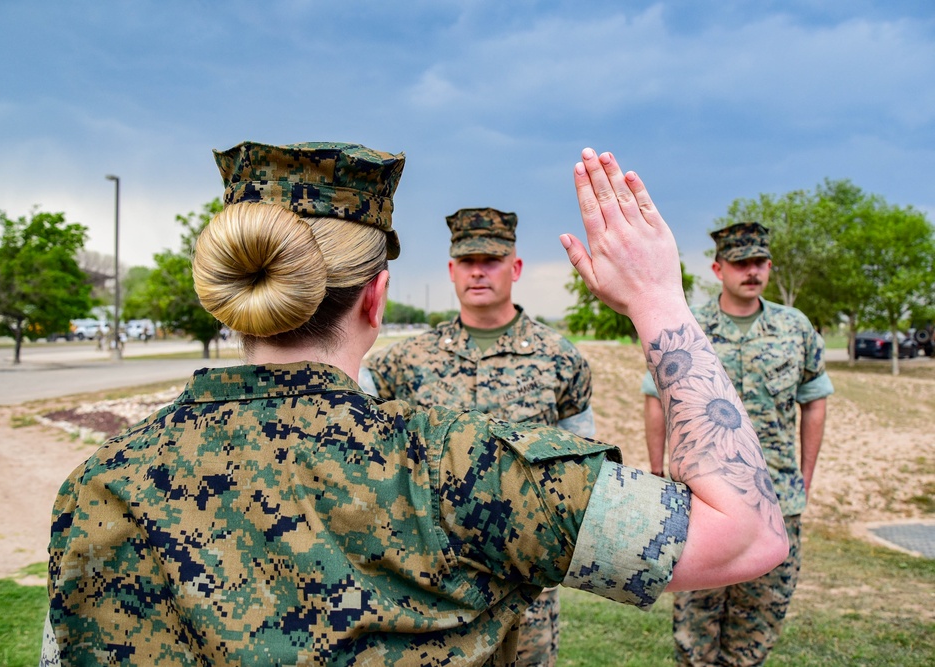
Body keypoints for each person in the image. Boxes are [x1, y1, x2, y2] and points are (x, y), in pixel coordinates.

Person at [42, 142, 789, 666]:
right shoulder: (467, 468)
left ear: (236, 300)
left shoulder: (99, 486)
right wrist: (661, 301)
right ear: (377, 295)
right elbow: (747, 537)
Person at [361, 207, 595, 666]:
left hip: (527, 591)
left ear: (516, 267)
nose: (479, 271)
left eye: (491, 260)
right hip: (430, 594)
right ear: (451, 270)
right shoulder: (401, 362)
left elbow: (580, 468)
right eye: (467, 262)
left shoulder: (561, 360)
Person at [641, 221, 833, 667]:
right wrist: (656, 469)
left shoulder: (795, 327)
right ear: (718, 268)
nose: (752, 271)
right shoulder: (688, 327)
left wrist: (803, 477)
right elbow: (656, 401)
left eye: (760, 262)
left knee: (760, 617)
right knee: (696, 617)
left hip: (776, 501)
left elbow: (814, 401)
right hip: (702, 501)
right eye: (741, 262)